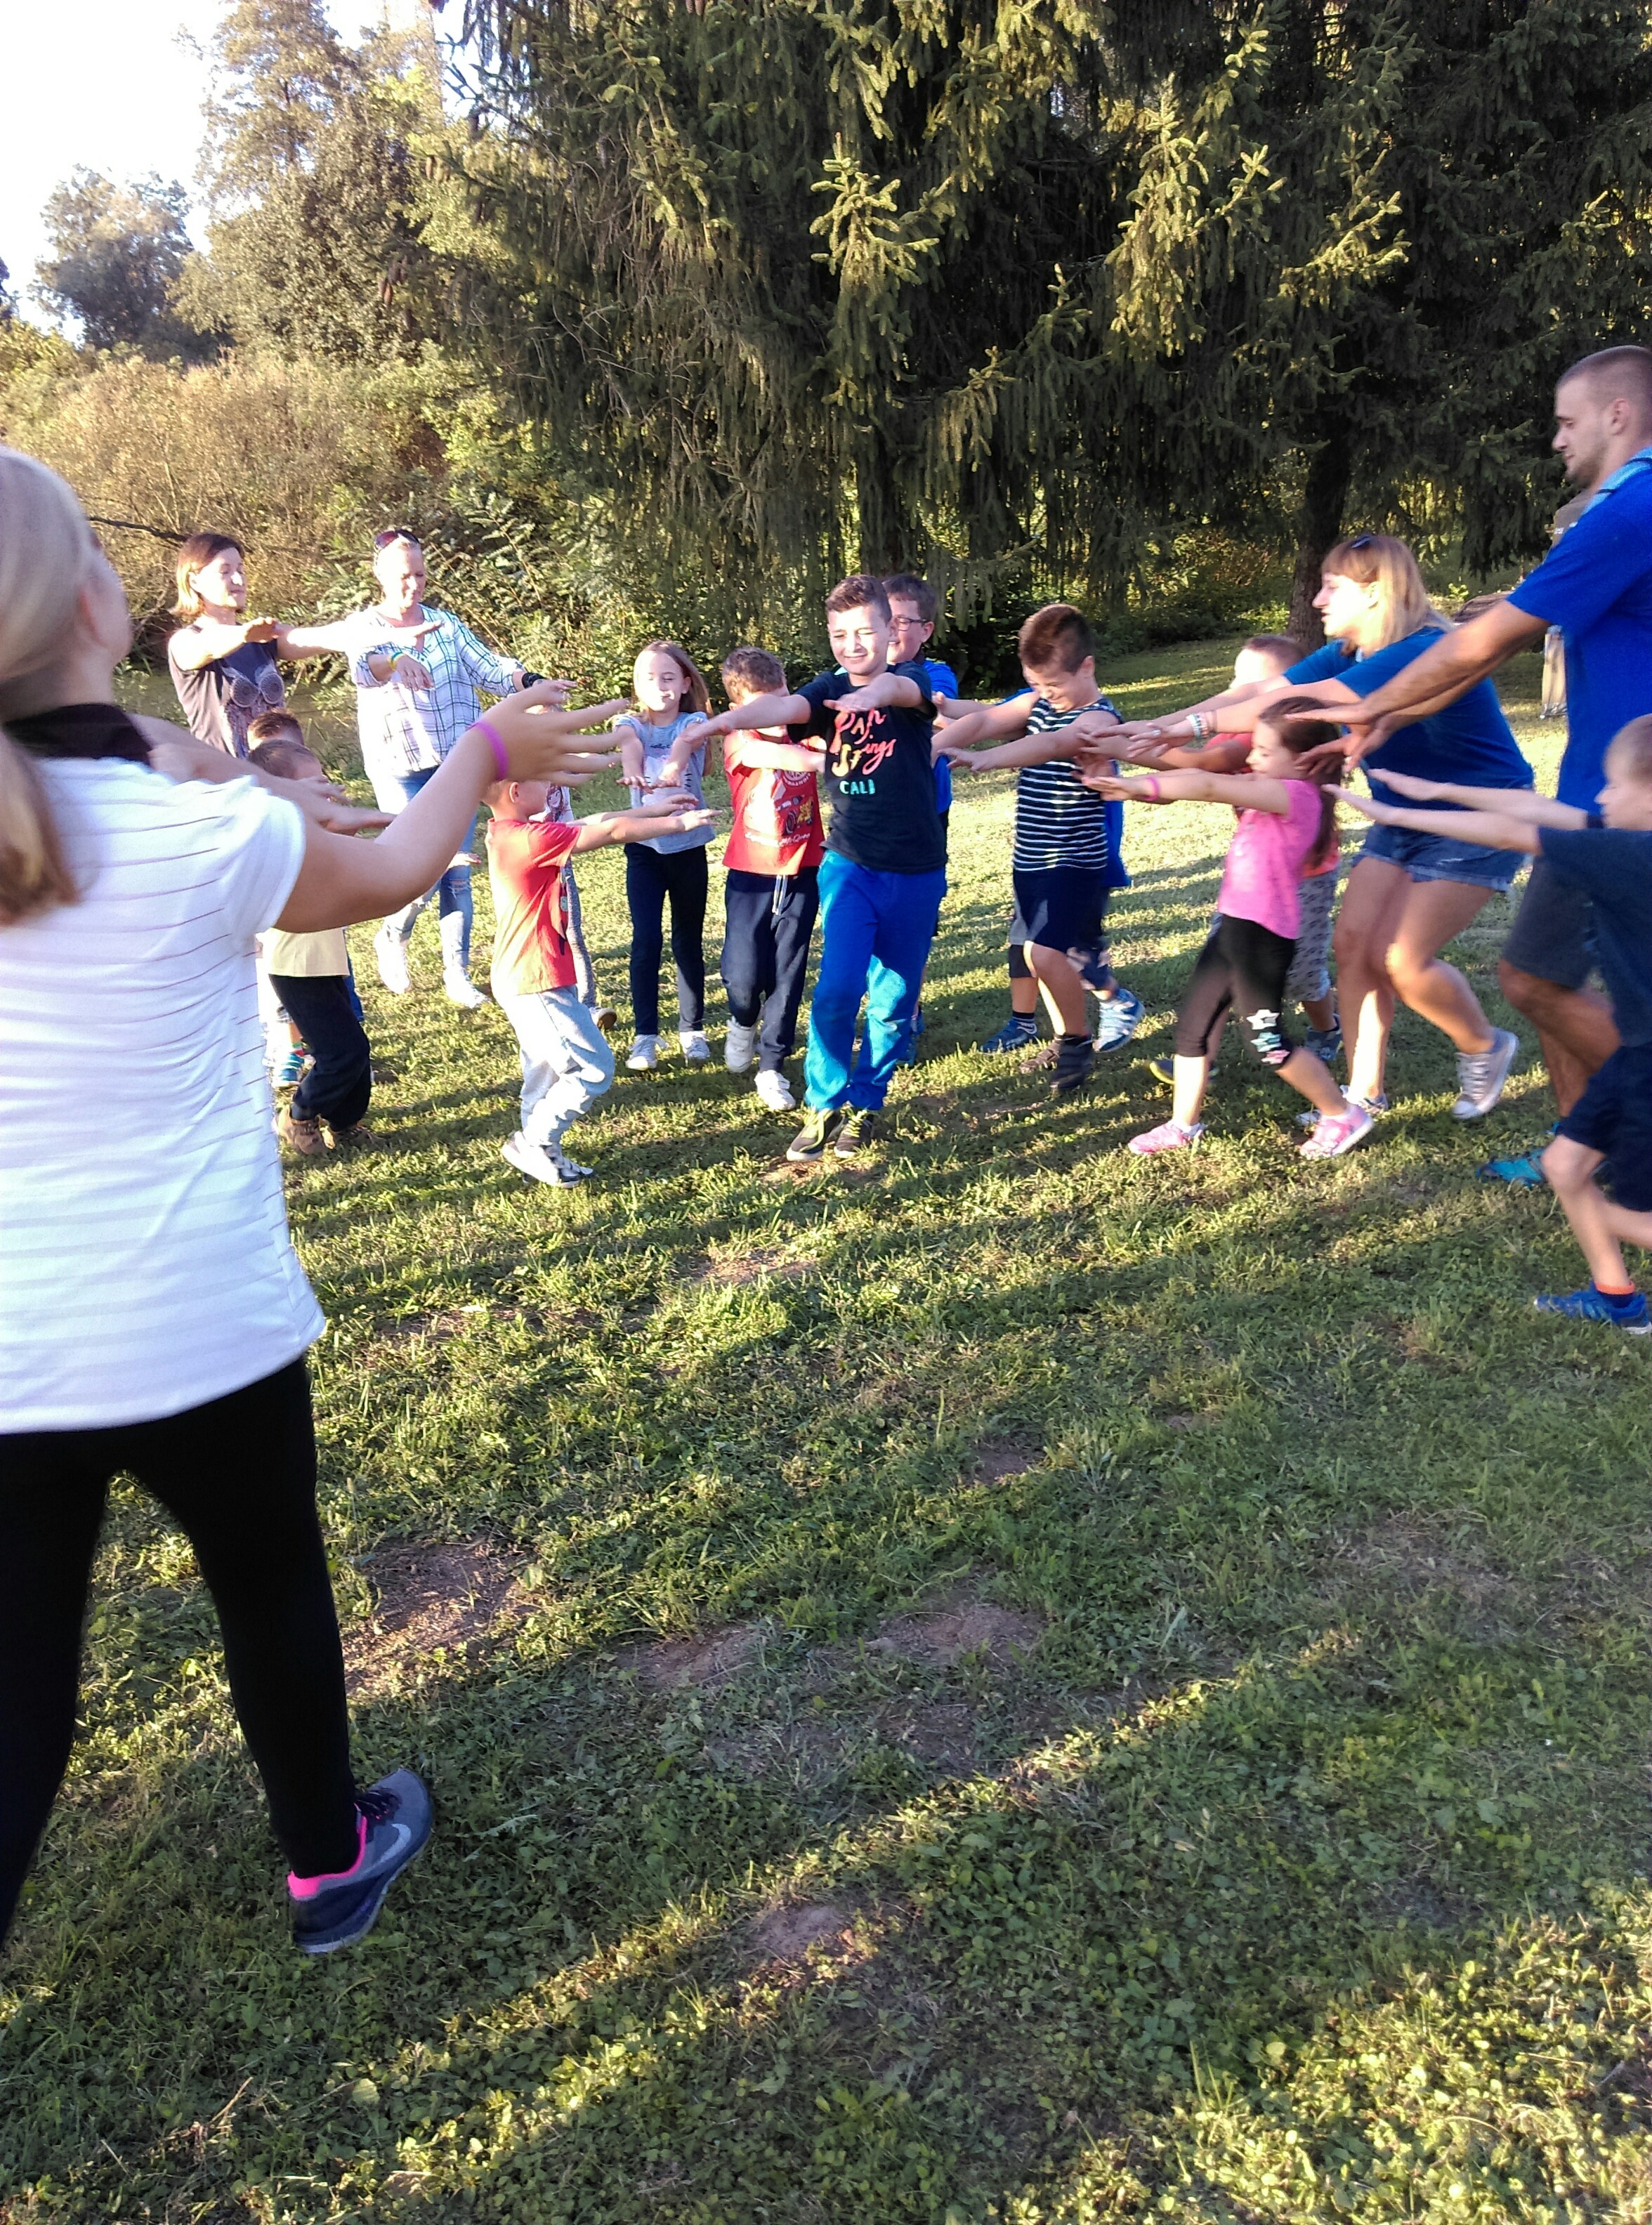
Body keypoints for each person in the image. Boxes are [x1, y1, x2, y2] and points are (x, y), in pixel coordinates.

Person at [0, 444, 622, 1955]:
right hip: (201, 1326)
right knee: (269, 1589)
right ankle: (328, 1863)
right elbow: (401, 861)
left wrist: (232, 769)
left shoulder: (164, 788)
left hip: (15, 1351)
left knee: (16, 1695)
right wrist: (489, 747)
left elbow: (147, 745)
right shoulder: (201, 839)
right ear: (93, 606)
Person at [1323, 348, 1652, 1177]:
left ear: (1619, 414)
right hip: (1593, 790)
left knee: (1536, 977)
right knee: (1547, 974)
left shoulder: (1632, 508)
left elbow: (1485, 639)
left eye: (1567, 422)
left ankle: (1621, 1128)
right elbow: (1484, 656)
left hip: (1626, 803)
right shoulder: (1622, 508)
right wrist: (1387, 714)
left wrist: (1367, 705)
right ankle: (1580, 1150)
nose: (1556, 440)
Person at [1111, 537, 1532, 1122]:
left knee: (1401, 960)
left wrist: (1194, 725)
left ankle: (1485, 1045)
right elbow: (1261, 692)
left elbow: (1300, 703)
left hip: (1479, 815)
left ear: (1376, 592)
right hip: (1399, 812)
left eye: (1333, 586)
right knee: (1354, 945)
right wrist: (1157, 725)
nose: (1317, 599)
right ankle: (1364, 1093)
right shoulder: (1347, 653)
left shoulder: (1421, 649)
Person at [1330, 717, 1652, 1329]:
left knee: (1638, 1215)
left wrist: (1397, 815)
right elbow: (1539, 809)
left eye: (1615, 785)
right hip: (1635, 1052)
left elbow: (1514, 831)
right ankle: (1618, 1300)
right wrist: (1437, 791)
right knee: (1564, 1167)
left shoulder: (1632, 855)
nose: (1602, 795)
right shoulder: (1626, 841)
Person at [690, 575, 945, 1162]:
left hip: (917, 871)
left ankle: (866, 1103)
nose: (852, 645)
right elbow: (786, 706)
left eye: (864, 632)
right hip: (850, 868)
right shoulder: (828, 688)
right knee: (836, 992)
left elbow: (902, 693)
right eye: (839, 634)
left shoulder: (913, 679)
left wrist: (873, 696)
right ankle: (823, 1103)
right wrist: (724, 722)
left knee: (892, 1004)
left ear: (890, 630)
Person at [1084, 699, 1376, 1159]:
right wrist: (1137, 788)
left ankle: (1342, 1114)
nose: (1252, 757)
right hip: (1233, 928)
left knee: (1268, 1044)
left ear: (1304, 759)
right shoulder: (1270, 785)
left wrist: (1137, 785)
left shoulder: (1298, 796)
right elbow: (1198, 776)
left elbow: (1207, 785)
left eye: (1264, 750)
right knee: (1193, 1031)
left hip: (1264, 939)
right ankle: (1182, 1126)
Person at [933, 603, 1134, 1097]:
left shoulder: (1098, 718)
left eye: (1053, 685)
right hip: (1031, 858)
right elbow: (984, 720)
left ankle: (1076, 1043)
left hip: (1075, 860)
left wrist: (987, 760)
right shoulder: (1039, 702)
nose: (1045, 694)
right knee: (1041, 953)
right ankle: (1071, 1032)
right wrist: (931, 749)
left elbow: (1053, 744)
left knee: (1045, 953)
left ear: (1087, 667)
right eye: (1036, 684)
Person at [340, 528, 542, 1011]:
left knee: (458, 872)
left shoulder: (446, 625)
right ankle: (394, 933)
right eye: (403, 576)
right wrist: (397, 657)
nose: (413, 584)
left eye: (420, 574)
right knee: (417, 874)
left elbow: (489, 669)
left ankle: (458, 972)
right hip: (400, 768)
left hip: (456, 767)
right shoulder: (365, 626)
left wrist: (530, 681)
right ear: (380, 575)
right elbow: (364, 667)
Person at [485, 773, 715, 1184]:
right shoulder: (528, 839)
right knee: (591, 1068)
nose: (550, 786)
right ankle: (534, 1142)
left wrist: (653, 810)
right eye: (540, 780)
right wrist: (678, 824)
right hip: (537, 978)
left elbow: (596, 819)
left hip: (525, 976)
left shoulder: (508, 832)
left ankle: (539, 1153)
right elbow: (609, 832)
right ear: (515, 792)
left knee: (544, 1070)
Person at [1131, 634, 1340, 1083]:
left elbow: (1206, 768)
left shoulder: (1271, 740)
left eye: (1251, 684)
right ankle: (1198, 1058)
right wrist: (1135, 768)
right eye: (1236, 680)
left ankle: (1327, 1026)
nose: (1237, 692)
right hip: (1252, 885)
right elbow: (1192, 774)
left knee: (1303, 974)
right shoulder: (1251, 733)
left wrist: (1127, 750)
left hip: (1307, 877)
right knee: (1222, 967)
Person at [247, 716, 376, 1157]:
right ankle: (298, 1115)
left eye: (324, 777)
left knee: (353, 1050)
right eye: (314, 782)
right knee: (342, 1052)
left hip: (325, 960)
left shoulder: (315, 828)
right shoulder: (287, 832)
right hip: (296, 967)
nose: (326, 786)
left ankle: (345, 1124)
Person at [716, 645, 825, 1112]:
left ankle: (772, 1065)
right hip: (750, 876)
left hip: (802, 871)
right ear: (741, 708)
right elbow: (779, 756)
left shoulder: (805, 729)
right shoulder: (739, 738)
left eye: (783, 700)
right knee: (741, 976)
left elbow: (834, 743)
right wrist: (820, 760)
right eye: (766, 706)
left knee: (787, 972)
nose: (779, 715)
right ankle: (743, 1021)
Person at [612, 641, 715, 1072]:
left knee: (688, 940)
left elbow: (685, 747)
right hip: (645, 850)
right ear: (638, 686)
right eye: (650, 679)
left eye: (669, 677)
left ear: (686, 683)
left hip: (689, 848)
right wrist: (632, 769)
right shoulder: (629, 724)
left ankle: (692, 1030)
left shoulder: (695, 721)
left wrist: (673, 768)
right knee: (646, 941)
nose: (660, 686)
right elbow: (629, 745)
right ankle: (646, 1036)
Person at [883, 574, 960, 1060]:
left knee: (913, 920)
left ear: (926, 629)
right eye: (882, 620)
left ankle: (906, 1015)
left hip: (925, 816)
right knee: (873, 917)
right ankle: (885, 1009)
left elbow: (938, 713)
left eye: (901, 621)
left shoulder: (937, 675)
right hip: (871, 817)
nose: (890, 630)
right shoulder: (850, 675)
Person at [166, 532, 288, 756]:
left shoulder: (262, 637)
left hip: (274, 774)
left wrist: (348, 631)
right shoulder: (184, 641)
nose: (239, 580)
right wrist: (243, 634)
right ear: (194, 581)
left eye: (241, 570)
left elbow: (307, 638)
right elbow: (207, 645)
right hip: (225, 776)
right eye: (225, 571)